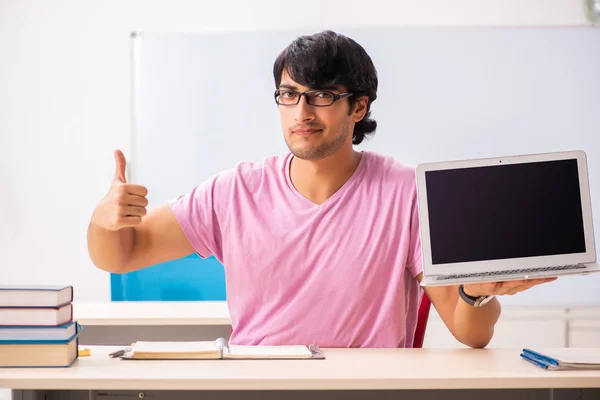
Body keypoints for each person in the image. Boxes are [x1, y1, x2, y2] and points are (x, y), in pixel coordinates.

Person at [87, 30, 555, 348]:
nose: (302, 112)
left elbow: (470, 332)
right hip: (257, 389)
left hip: (370, 393)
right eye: (289, 95)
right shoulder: (235, 191)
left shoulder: (409, 194)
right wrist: (104, 222)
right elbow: (120, 255)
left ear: (358, 107)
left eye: (323, 95)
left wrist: (476, 295)